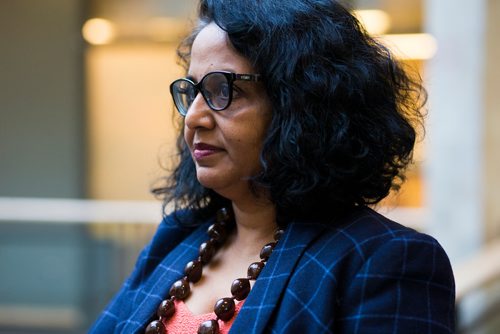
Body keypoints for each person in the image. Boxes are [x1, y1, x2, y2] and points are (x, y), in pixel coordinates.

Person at [90, 0, 455, 333]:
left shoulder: (384, 261)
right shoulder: (178, 236)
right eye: (193, 91)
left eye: (223, 90)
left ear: (302, 105)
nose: (194, 118)